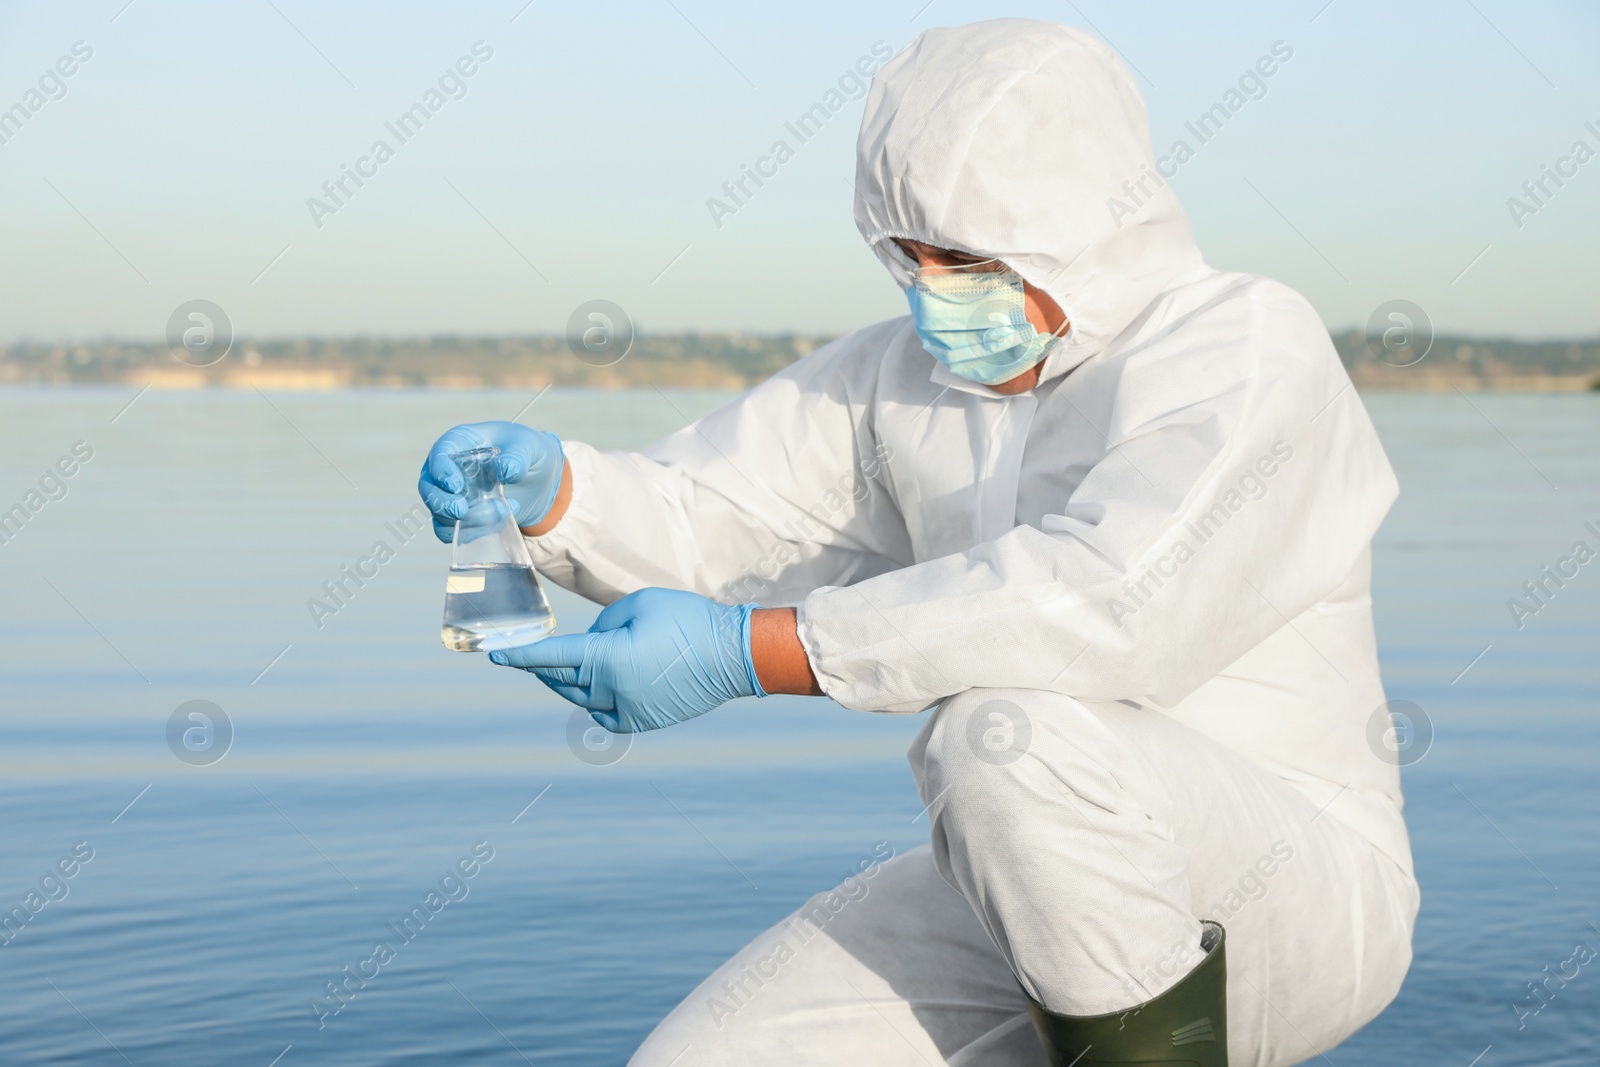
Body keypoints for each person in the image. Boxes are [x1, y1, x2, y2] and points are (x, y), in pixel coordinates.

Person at [417, 18, 1417, 1067]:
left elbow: (1113, 599)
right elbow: (720, 515)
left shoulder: (1241, 345)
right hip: (1035, 872)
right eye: (909, 254)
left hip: (1291, 888)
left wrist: (749, 650)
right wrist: (556, 494)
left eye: (967, 257)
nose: (934, 287)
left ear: (1080, 228)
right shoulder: (896, 377)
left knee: (1004, 734)